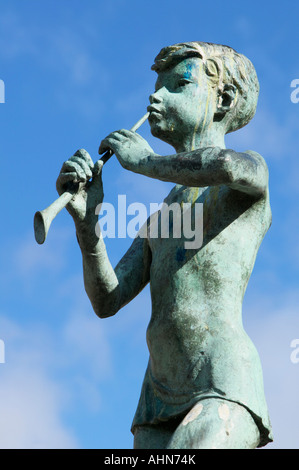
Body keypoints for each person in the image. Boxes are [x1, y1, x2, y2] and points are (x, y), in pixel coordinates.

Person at [56, 42, 273, 449]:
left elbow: (225, 165)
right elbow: (107, 299)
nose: (156, 96)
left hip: (220, 383)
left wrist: (144, 163)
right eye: (158, 87)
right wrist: (88, 224)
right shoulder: (163, 217)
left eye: (177, 85)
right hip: (156, 398)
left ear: (223, 99)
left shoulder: (247, 172)